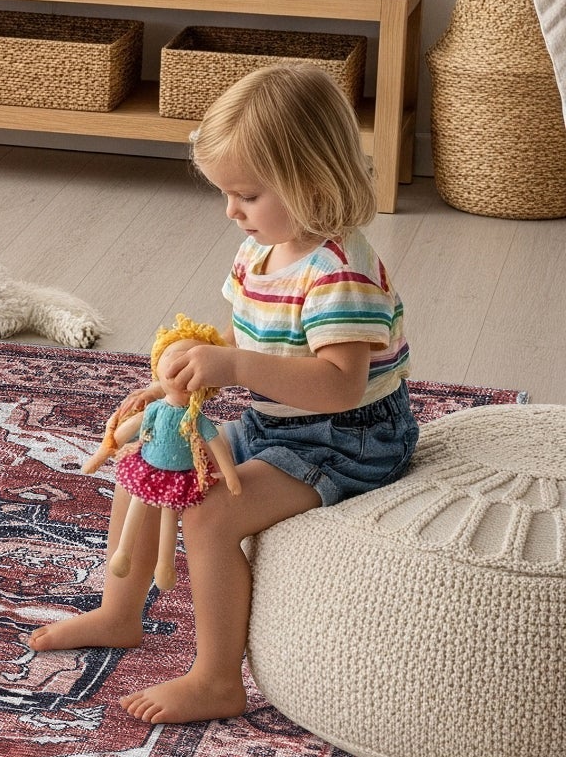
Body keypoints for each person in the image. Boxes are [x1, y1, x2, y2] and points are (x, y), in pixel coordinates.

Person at [31, 62, 416, 723]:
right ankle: (119, 612)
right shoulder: (258, 249)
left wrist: (232, 368)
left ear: (312, 182)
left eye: (246, 194)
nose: (231, 210)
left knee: (208, 516)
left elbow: (339, 384)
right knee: (146, 466)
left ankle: (217, 678)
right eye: (227, 194)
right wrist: (172, 388)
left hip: (351, 437)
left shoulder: (338, 273)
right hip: (278, 425)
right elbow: (247, 349)